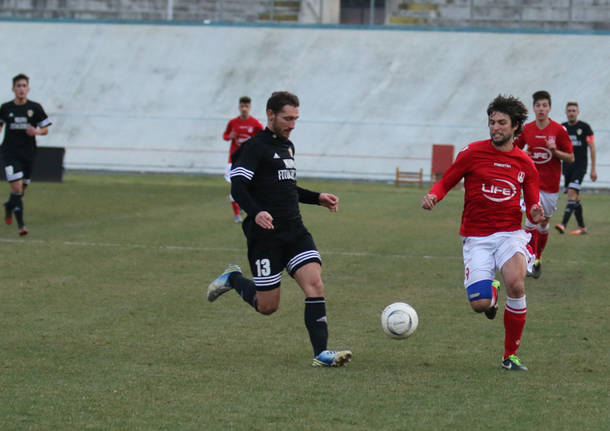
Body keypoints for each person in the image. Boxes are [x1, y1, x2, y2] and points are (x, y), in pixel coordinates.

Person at [208, 91, 352, 368]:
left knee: (315, 284)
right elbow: (238, 187)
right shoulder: (253, 148)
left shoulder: (288, 147)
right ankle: (233, 278)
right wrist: (256, 211)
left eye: (296, 119)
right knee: (267, 307)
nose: (292, 124)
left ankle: (321, 353)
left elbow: (286, 189)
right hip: (265, 237)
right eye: (287, 118)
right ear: (271, 115)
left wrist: (317, 197)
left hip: (295, 232)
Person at [421, 95, 543, 371]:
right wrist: (433, 196)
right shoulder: (472, 153)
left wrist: (535, 211)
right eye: (491, 122)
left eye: (502, 123)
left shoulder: (525, 163)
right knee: (480, 304)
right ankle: (492, 294)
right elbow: (446, 181)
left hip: (509, 234)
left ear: (515, 127)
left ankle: (510, 356)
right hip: (476, 238)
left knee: (517, 283)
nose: (495, 127)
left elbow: (533, 200)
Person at [514, 90, 573, 278]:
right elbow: (514, 149)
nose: (541, 109)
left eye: (544, 106)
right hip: (531, 184)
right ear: (534, 108)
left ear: (549, 108)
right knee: (531, 221)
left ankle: (538, 256)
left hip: (550, 186)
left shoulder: (558, 131)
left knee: (543, 223)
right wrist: (523, 157)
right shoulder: (528, 129)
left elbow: (570, 157)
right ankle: (529, 261)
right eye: (538, 106)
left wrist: (555, 151)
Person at [0, 73, 52, 236]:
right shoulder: (6, 108)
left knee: (21, 190)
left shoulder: (35, 108)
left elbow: (45, 129)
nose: (21, 89)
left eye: (24, 86)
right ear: (13, 89)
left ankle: (9, 206)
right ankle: (21, 226)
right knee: (16, 187)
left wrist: (36, 131)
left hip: (28, 154)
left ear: (28, 89)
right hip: (9, 153)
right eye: (18, 86)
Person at [555, 102, 597, 235]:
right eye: (569, 110)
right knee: (575, 198)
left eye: (574, 110)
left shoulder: (585, 128)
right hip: (567, 167)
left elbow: (592, 148)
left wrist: (593, 169)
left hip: (580, 166)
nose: (572, 113)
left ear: (578, 112)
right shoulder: (562, 128)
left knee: (572, 193)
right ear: (566, 112)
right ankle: (582, 227)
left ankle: (563, 224)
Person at [222, 96, 263, 223]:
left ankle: (243, 206)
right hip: (233, 159)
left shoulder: (255, 123)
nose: (244, 109)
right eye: (242, 106)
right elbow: (225, 135)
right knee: (234, 186)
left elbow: (262, 137)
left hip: (248, 160)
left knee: (248, 186)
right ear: (239, 107)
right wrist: (230, 136)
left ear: (250, 107)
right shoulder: (233, 122)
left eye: (246, 106)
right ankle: (237, 215)